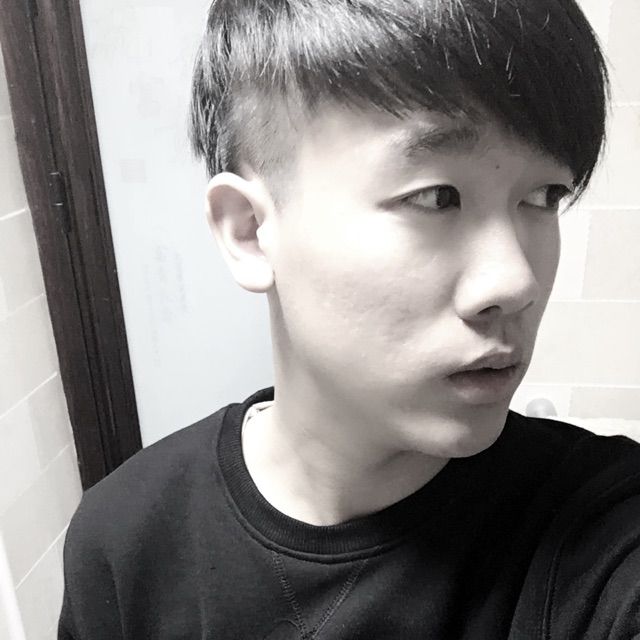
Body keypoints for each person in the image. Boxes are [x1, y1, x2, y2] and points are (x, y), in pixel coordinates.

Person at [58, 1, 640, 638]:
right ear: (250, 231)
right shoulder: (124, 539)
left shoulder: (606, 532)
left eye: (543, 197)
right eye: (437, 197)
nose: (516, 282)